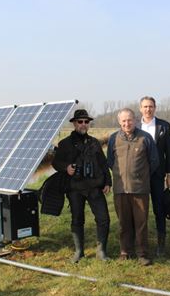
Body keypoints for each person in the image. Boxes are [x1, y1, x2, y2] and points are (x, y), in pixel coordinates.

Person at [52, 109, 112, 263]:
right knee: (77, 220)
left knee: (103, 218)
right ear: (74, 123)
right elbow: (55, 162)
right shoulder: (64, 144)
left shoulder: (94, 143)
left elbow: (103, 164)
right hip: (75, 189)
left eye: (86, 122)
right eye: (80, 121)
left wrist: (107, 182)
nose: (83, 124)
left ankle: (101, 251)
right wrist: (66, 167)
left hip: (94, 187)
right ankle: (79, 252)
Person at [107, 108, 159, 266]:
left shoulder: (145, 138)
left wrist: (140, 176)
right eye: (123, 121)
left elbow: (154, 161)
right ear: (119, 122)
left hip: (140, 189)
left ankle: (142, 253)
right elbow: (110, 161)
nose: (127, 123)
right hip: (120, 189)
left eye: (129, 120)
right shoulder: (113, 139)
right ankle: (125, 251)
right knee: (124, 222)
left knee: (141, 223)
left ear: (135, 120)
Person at [139, 96, 170, 256]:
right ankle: (140, 241)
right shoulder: (135, 126)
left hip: (158, 174)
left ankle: (161, 243)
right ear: (141, 108)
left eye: (151, 106)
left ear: (155, 108)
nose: (148, 109)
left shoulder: (164, 126)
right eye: (145, 106)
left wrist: (169, 174)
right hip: (139, 175)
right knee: (140, 208)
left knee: (158, 208)